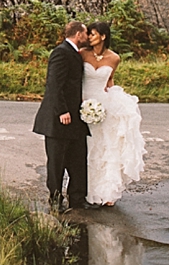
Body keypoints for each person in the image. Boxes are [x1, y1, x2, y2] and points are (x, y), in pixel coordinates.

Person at [80, 21, 146, 206]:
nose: (89, 37)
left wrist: (113, 97)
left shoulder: (114, 58)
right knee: (87, 147)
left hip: (103, 105)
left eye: (92, 34)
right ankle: (83, 189)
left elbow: (109, 79)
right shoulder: (82, 54)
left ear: (103, 36)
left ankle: (106, 191)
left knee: (106, 146)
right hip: (83, 102)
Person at [32, 20, 92, 211]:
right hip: (59, 118)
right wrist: (62, 110)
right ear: (77, 34)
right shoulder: (61, 52)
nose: (88, 36)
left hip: (75, 118)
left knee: (78, 158)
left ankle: (77, 199)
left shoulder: (74, 53)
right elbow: (54, 84)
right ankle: (55, 200)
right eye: (85, 33)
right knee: (57, 162)